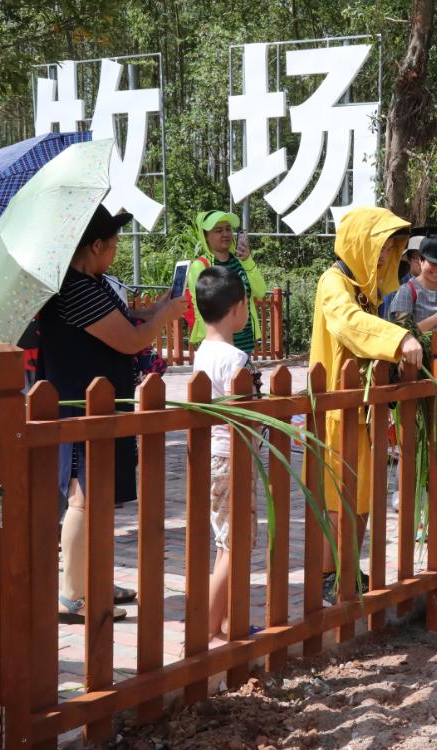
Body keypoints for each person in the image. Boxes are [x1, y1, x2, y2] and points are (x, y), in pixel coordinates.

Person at [39, 205, 186, 623]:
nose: (117, 250)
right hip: (84, 408)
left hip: (101, 404)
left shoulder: (91, 282)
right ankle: (71, 595)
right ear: (96, 245)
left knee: (98, 499)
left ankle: (93, 582)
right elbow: (131, 340)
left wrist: (156, 308)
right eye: (114, 243)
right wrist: (163, 318)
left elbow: (125, 320)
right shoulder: (76, 290)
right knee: (83, 499)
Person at [309, 207, 424, 605]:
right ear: (359, 243)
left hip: (362, 408)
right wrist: (398, 341)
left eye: (389, 251)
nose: (382, 258)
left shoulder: (364, 289)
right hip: (339, 411)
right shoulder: (334, 282)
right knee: (340, 500)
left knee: (359, 499)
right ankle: (330, 573)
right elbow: (346, 323)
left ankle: (344, 567)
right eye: (378, 248)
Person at [191, 266, 259, 643]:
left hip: (212, 458)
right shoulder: (236, 360)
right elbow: (247, 414)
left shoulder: (202, 353)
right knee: (236, 546)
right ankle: (205, 627)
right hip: (233, 458)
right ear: (238, 308)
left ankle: (224, 625)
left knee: (225, 542)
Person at [186, 210, 267, 359]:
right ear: (206, 237)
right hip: (219, 348)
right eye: (218, 230)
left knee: (243, 382)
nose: (225, 234)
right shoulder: (200, 266)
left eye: (228, 229)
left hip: (245, 345)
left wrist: (248, 261)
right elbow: (199, 310)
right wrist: (212, 344)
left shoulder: (242, 262)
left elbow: (261, 291)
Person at [379, 238, 423, 320]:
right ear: (409, 260)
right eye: (416, 258)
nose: (421, 262)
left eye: (425, 258)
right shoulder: (397, 284)